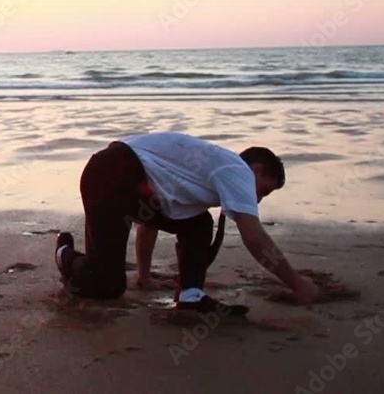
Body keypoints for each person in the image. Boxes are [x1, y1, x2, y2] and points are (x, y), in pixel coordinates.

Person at [54, 132, 319, 315]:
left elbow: (150, 221)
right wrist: (298, 284)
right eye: (263, 191)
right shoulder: (237, 169)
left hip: (131, 178)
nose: (258, 200)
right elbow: (255, 238)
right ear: (257, 169)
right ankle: (64, 254)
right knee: (107, 285)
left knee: (198, 222)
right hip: (110, 173)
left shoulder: (203, 174)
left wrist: (144, 278)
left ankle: (191, 295)